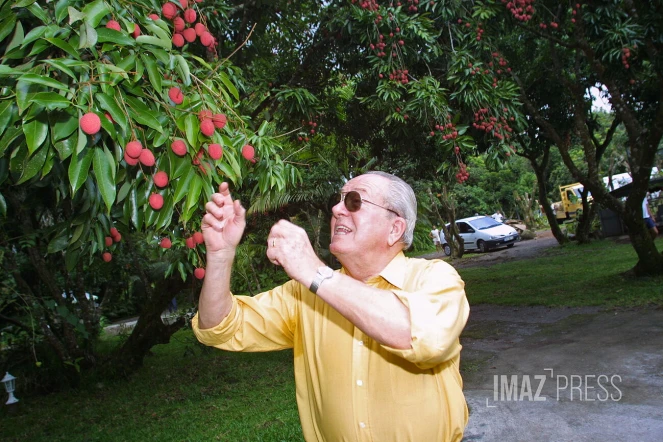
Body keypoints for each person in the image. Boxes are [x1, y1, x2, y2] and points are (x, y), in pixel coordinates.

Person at [193, 171, 470, 441]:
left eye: (354, 201)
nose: (337, 209)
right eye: (338, 201)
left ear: (394, 228)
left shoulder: (435, 278)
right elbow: (219, 326)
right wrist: (220, 254)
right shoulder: (305, 296)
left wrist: (315, 271)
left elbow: (421, 336)